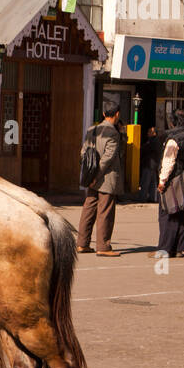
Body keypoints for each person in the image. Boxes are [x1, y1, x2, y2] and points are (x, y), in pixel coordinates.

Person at [76, 99, 125, 257]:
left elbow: (84, 152)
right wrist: (97, 177)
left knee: (88, 209)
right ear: (117, 114)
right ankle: (103, 246)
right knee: (105, 212)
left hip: (91, 177)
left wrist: (90, 175)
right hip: (106, 179)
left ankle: (82, 244)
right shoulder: (113, 133)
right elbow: (108, 158)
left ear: (104, 113)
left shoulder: (92, 129)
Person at [157, 109, 184, 257]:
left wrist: (162, 180)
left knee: (167, 214)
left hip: (173, 179)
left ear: (172, 122)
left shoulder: (173, 139)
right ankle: (179, 248)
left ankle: (165, 248)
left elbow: (168, 161)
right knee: (182, 213)